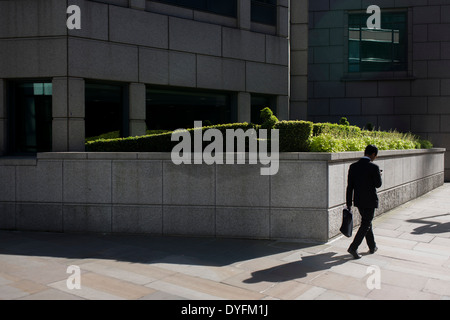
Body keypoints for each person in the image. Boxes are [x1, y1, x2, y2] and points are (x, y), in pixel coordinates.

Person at [346, 144, 382, 259]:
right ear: (373, 154)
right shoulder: (374, 167)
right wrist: (379, 175)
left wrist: (348, 203)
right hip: (370, 200)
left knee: (367, 223)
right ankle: (353, 247)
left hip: (358, 200)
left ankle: (372, 246)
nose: (375, 158)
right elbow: (378, 184)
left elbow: (349, 186)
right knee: (366, 224)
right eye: (375, 156)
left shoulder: (353, 166)